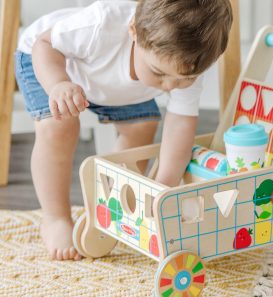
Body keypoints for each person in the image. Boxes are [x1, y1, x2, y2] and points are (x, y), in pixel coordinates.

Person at [15, 0, 232, 261]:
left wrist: (162, 187)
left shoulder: (188, 65)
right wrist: (59, 84)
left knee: (142, 126)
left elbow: (180, 127)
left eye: (185, 79)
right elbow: (45, 44)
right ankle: (55, 217)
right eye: (159, 73)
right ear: (134, 32)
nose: (170, 86)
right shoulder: (100, 24)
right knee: (59, 126)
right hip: (51, 62)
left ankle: (111, 204)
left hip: (117, 88)